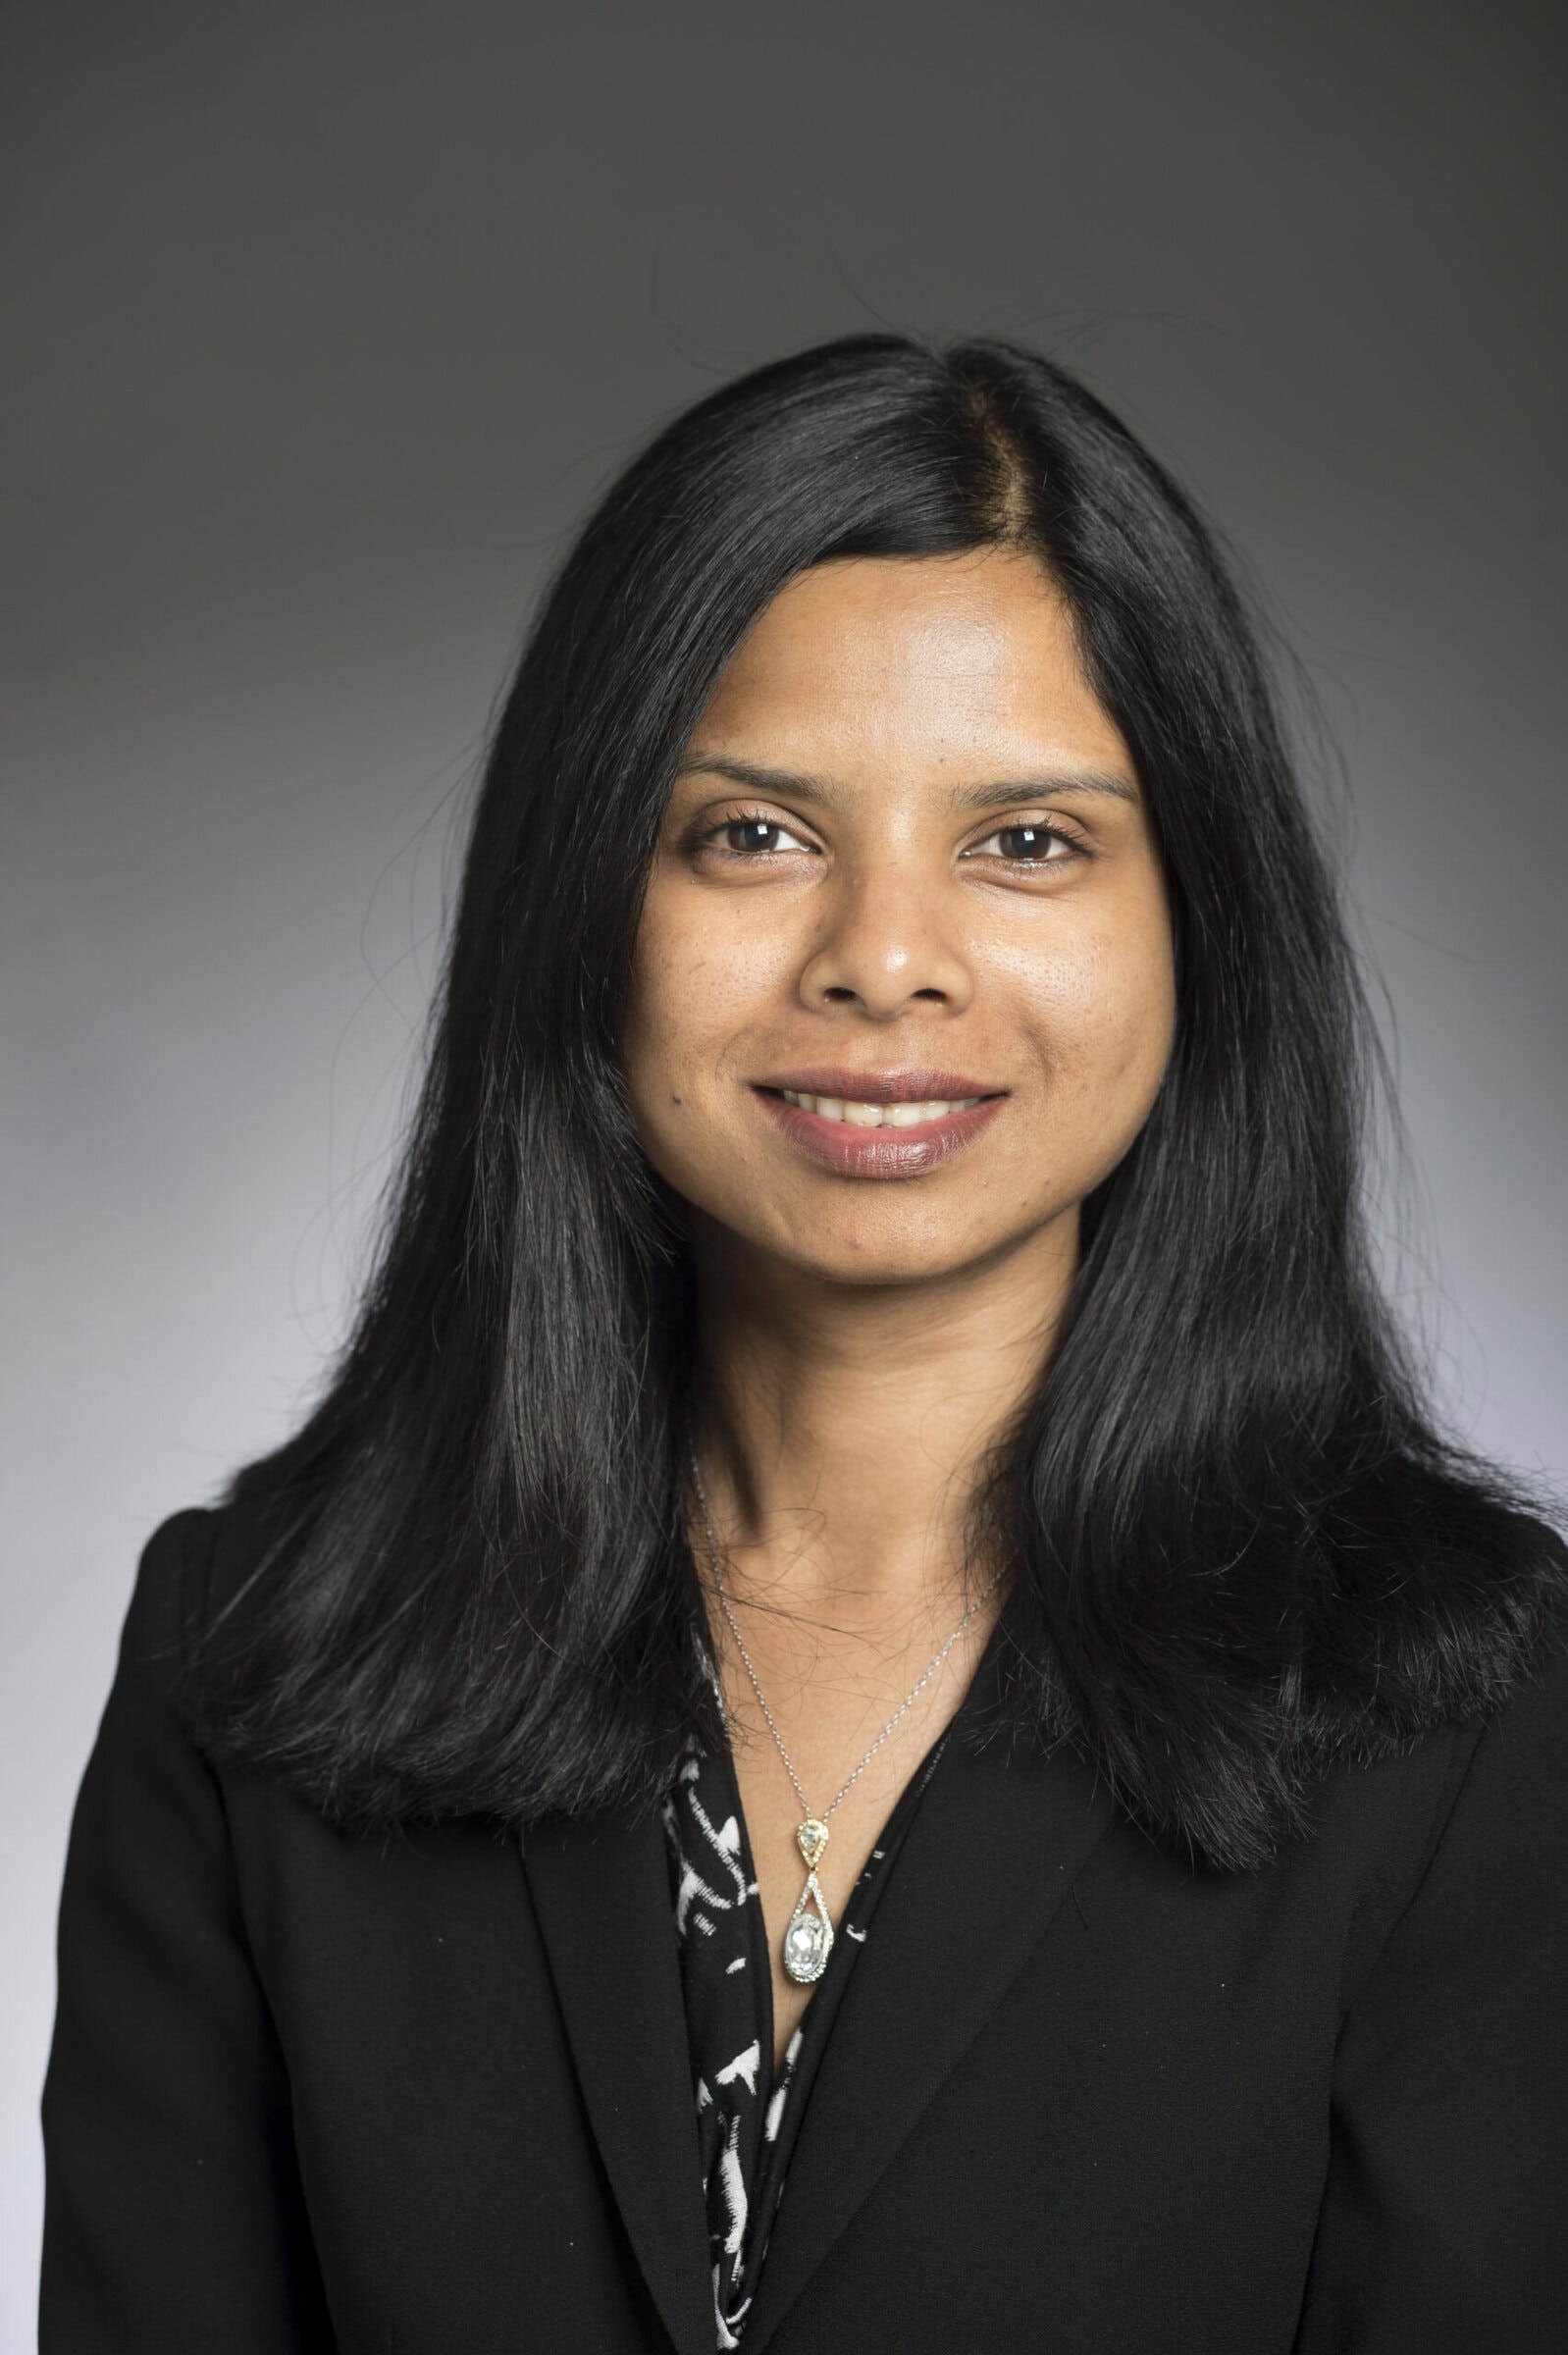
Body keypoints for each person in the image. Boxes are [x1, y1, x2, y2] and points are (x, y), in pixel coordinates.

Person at [40, 336, 1566, 2355]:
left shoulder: (1462, 1704)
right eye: (751, 832)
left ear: (1200, 924)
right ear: (585, 902)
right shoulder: (253, 1651)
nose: (883, 954)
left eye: (1026, 840)